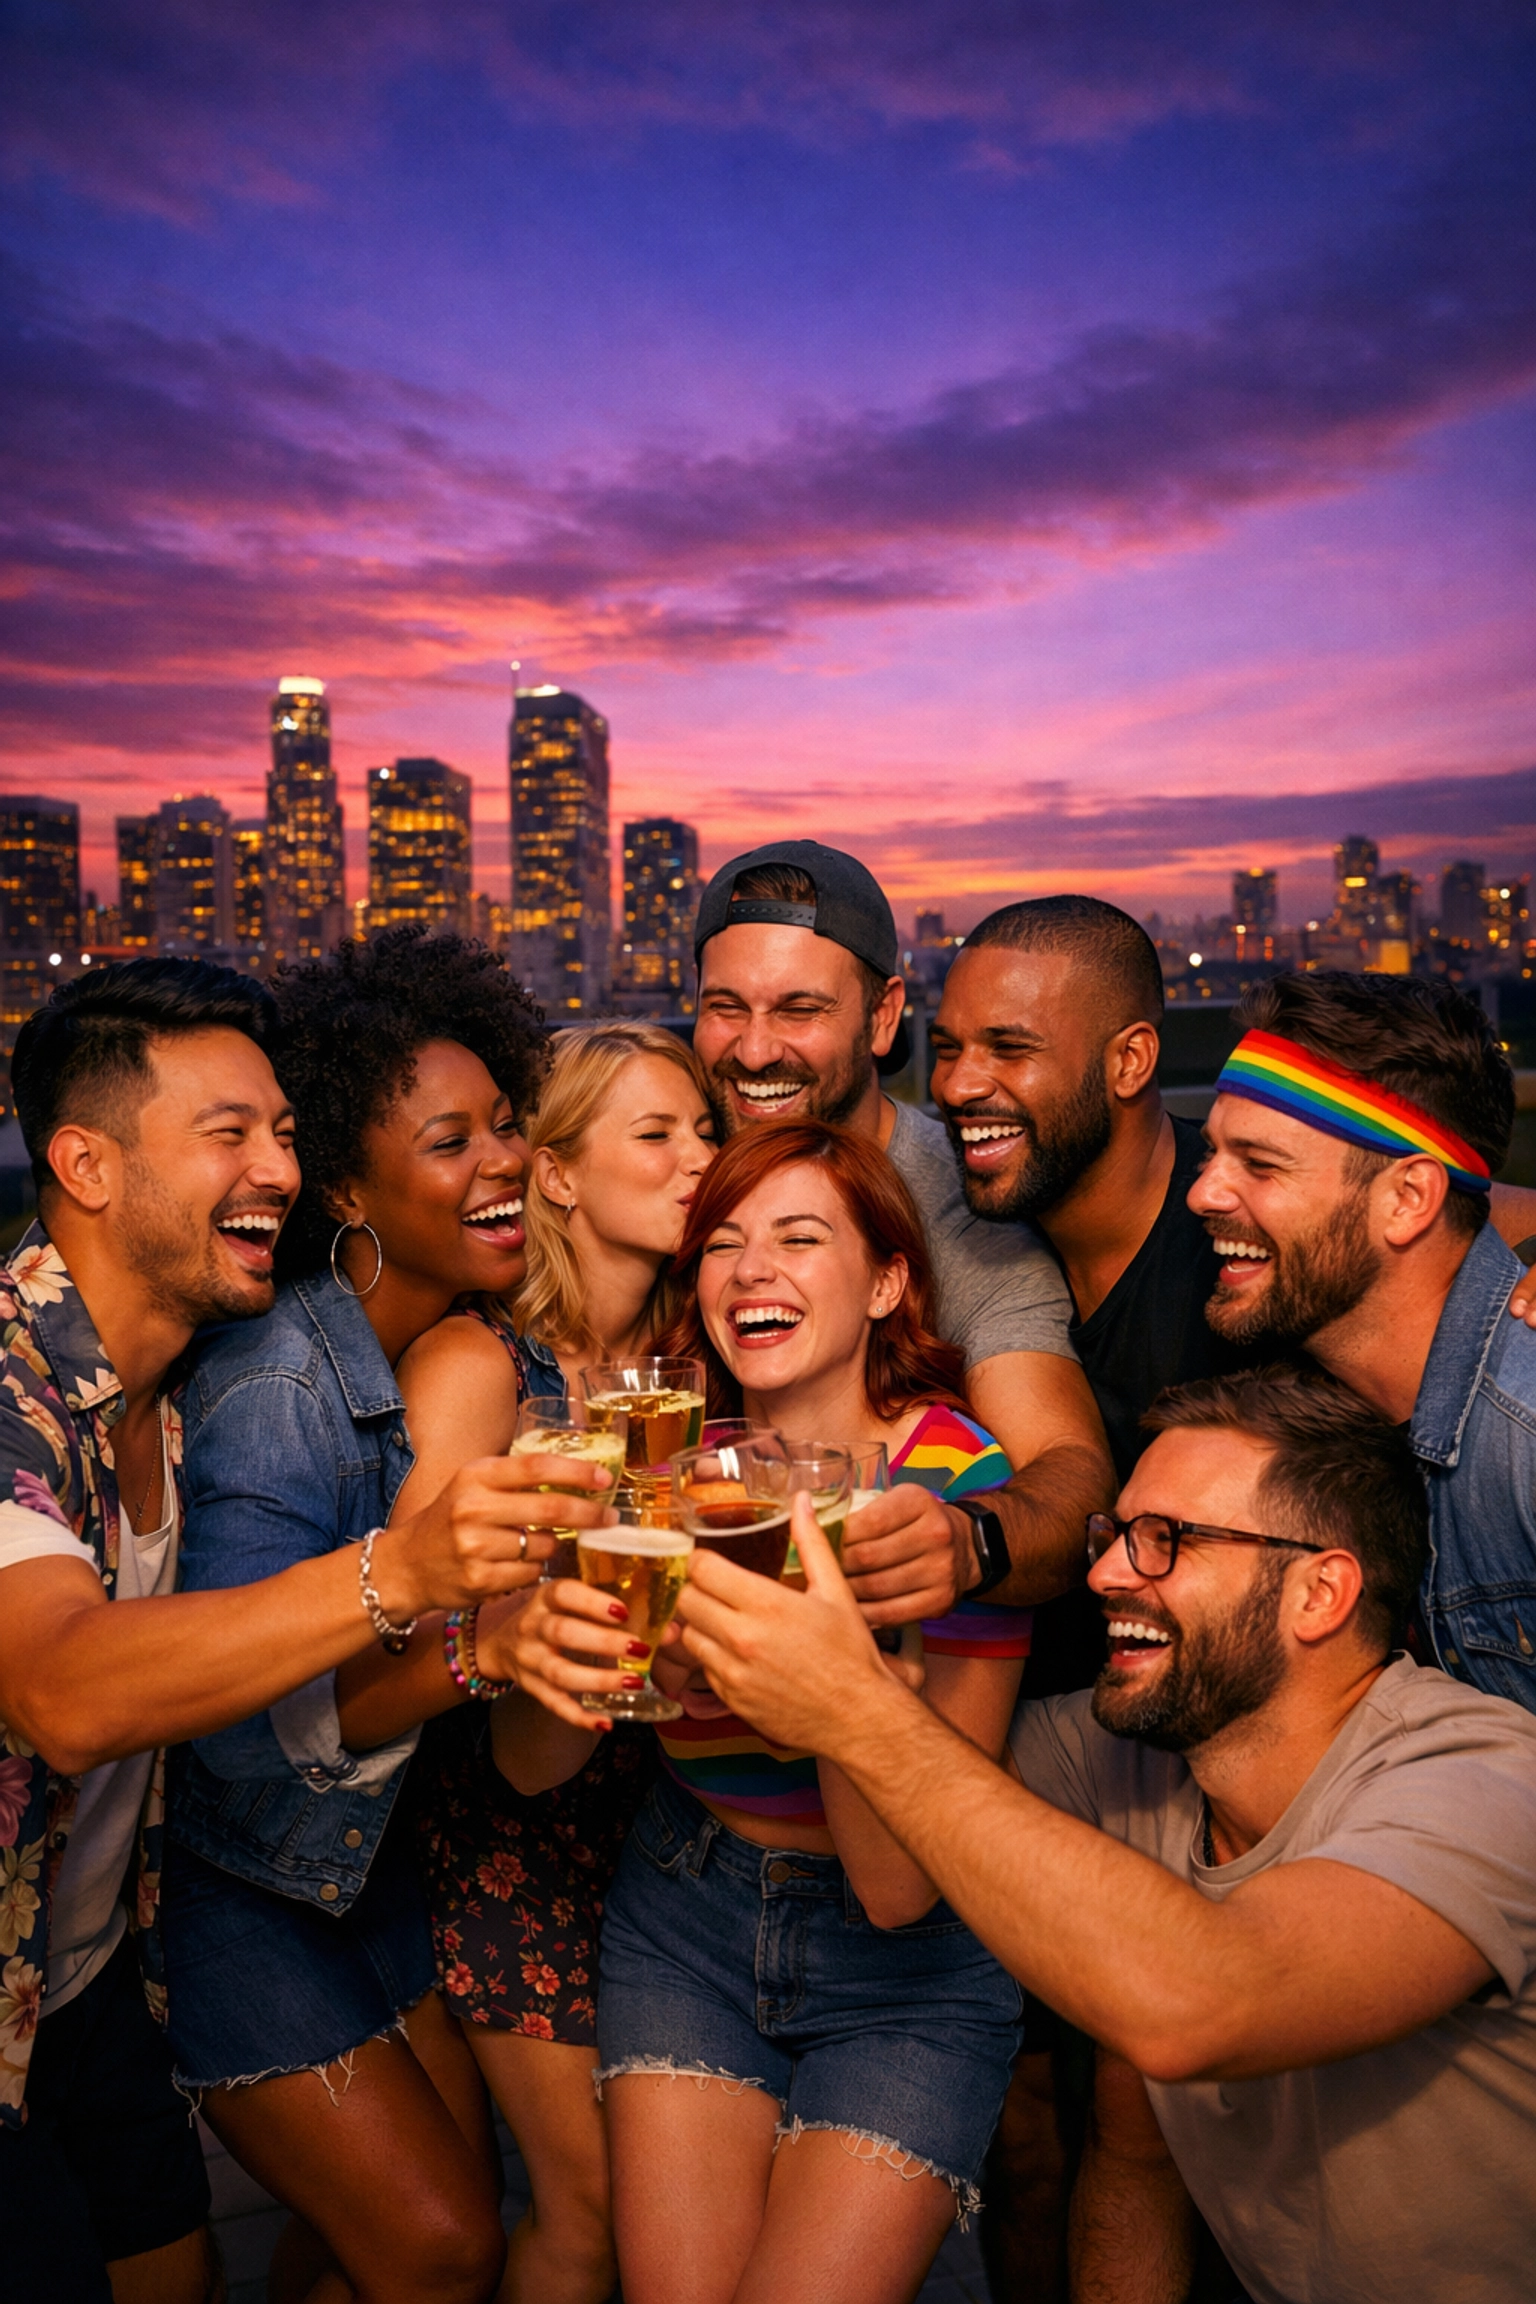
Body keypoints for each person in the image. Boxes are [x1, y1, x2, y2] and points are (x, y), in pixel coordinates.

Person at [677, 1363, 1536, 2304]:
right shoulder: (1137, 1758)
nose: (1105, 1572)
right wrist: (841, 1608)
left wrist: (858, 1709)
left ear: (1319, 1594)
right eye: (1118, 1534)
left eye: (1167, 1540)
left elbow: (1201, 1998)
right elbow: (904, 1854)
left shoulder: (1482, 1775)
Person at [0, 957, 576, 2304]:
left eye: (284, 1131)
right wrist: (409, 1573)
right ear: (85, 1164)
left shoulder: (182, 1387)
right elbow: (69, 1693)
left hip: (82, 1978)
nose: (278, 1170)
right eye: (228, 1136)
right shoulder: (14, 1396)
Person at [158, 929, 621, 2304]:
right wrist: (493, 1647)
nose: (502, 1166)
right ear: (350, 1187)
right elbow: (239, 1731)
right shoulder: (282, 1390)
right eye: (448, 1141)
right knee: (442, 2240)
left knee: (389, 2226)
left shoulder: (440, 1350)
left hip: (363, 1869)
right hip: (239, 1887)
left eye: (503, 1127)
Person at [511, 1120, 1032, 2304]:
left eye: (801, 1239)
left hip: (908, 1962)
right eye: (723, 1245)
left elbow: (901, 1890)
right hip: (685, 1914)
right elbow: (531, 1766)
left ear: (887, 1280)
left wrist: (818, 1666)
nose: (752, 1272)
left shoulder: (949, 1493)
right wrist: (585, 1630)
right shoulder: (656, 1467)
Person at [401, 1021, 715, 2304]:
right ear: (562, 1175)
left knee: (665, 2214)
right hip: (515, 1827)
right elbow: (408, 1627)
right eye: (659, 1134)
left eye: (705, 1130)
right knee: (582, 2210)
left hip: (678, 1822)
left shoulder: (699, 1362)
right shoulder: (479, 1365)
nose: (701, 1158)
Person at [691, 840, 1111, 1628]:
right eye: (725, 1007)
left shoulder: (959, 1216)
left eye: (799, 1010)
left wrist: (963, 1541)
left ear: (883, 1017)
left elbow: (1072, 1477)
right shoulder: (674, 1154)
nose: (753, 1050)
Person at [1189, 967, 1536, 1714]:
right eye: (1209, 1155)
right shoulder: (1316, 1416)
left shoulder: (1525, 1433)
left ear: (1408, 1200)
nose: (1203, 1193)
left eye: (1259, 1164)